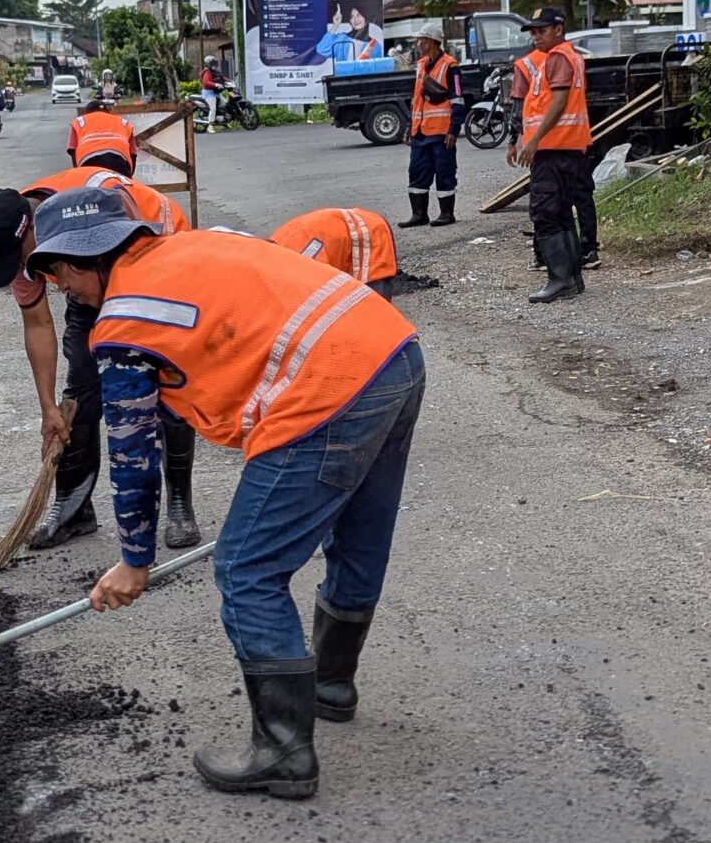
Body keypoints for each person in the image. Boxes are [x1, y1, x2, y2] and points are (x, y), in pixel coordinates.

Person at [28, 186, 424, 800]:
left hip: (331, 386)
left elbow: (133, 455)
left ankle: (285, 752)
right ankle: (330, 685)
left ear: (84, 260)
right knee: (358, 531)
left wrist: (135, 560)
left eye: (61, 275)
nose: (63, 290)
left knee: (245, 568)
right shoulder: (192, 246)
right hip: (393, 350)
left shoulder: (124, 321)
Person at [0, 167, 203, 552]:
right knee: (81, 385)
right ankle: (74, 509)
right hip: (86, 273)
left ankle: (179, 505)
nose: (20, 269)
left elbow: (132, 274)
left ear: (33, 232)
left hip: (153, 256)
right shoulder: (12, 233)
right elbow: (37, 324)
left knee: (165, 380)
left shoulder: (95, 205)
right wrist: (48, 408)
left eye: (19, 258)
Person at [511, 6, 596, 304]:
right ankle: (572, 279)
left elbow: (558, 102)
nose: (536, 37)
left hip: (553, 148)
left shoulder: (558, 57)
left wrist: (533, 140)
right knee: (560, 213)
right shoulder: (566, 56)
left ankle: (559, 279)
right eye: (533, 32)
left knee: (545, 213)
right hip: (566, 147)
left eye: (542, 30)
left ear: (558, 29)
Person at [401, 33, 461, 228]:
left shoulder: (450, 65)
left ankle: (446, 213)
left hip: (441, 133)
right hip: (420, 132)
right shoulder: (420, 65)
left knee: (444, 172)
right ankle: (419, 214)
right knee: (416, 172)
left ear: (433, 42)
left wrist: (454, 129)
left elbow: (458, 99)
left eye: (423, 41)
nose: (419, 45)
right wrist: (410, 127)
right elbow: (416, 101)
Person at [269, 206, 399, 285]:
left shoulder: (303, 264)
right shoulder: (274, 251)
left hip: (369, 233)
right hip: (336, 229)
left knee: (371, 307)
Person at [66, 98, 137, 175]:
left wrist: (79, 172)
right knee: (121, 182)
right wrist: (128, 174)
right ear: (108, 112)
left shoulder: (80, 122)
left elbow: (72, 150)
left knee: (91, 182)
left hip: (89, 160)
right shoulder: (123, 122)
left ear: (87, 113)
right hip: (119, 160)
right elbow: (133, 153)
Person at [196, 58, 227, 131]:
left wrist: (229, 81)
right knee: (213, 108)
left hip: (216, 92)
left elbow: (222, 78)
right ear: (208, 64)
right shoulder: (207, 72)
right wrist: (215, 84)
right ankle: (210, 126)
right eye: (212, 63)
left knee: (225, 104)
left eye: (215, 63)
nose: (214, 65)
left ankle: (223, 121)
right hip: (208, 93)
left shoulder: (215, 71)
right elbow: (206, 82)